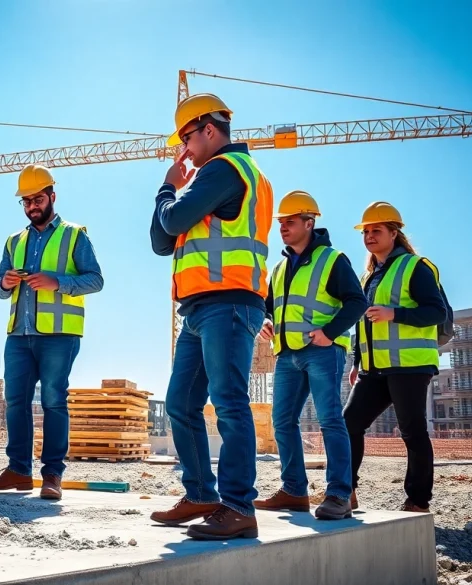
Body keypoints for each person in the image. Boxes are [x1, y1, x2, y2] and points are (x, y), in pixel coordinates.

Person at [148, 93, 273, 540]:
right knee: (181, 402)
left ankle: (239, 507)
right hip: (200, 308)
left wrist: (167, 188)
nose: (181, 148)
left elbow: (173, 217)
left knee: (229, 404)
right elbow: (161, 240)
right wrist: (171, 201)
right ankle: (201, 495)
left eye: (185, 137)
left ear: (208, 129)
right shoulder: (207, 180)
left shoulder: (225, 170)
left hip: (230, 304)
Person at [0, 164, 104, 501]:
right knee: (15, 401)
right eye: (26, 201)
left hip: (59, 335)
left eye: (38, 199)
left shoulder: (75, 234)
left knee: (53, 401)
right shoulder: (14, 241)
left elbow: (96, 279)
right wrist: (4, 283)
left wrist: (57, 282)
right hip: (19, 334)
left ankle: (52, 475)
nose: (32, 205)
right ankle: (18, 471)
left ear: (52, 196)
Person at [254, 191, 367, 520]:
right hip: (287, 355)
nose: (283, 228)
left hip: (323, 352)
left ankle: (339, 494)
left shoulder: (333, 260)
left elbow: (356, 302)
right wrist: (265, 319)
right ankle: (293, 491)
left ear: (309, 222)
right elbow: (268, 305)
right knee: (282, 422)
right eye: (281, 223)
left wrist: (329, 332)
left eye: (290, 222)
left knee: (330, 420)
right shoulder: (279, 267)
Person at [344, 201, 447, 513]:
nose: (369, 236)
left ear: (394, 233)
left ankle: (418, 500)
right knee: (348, 423)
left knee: (412, 430)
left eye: (377, 230)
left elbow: (436, 311)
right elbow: (362, 324)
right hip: (374, 369)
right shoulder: (367, 278)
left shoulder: (416, 267)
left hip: (410, 365)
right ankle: (345, 490)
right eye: (366, 231)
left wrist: (394, 313)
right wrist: (357, 361)